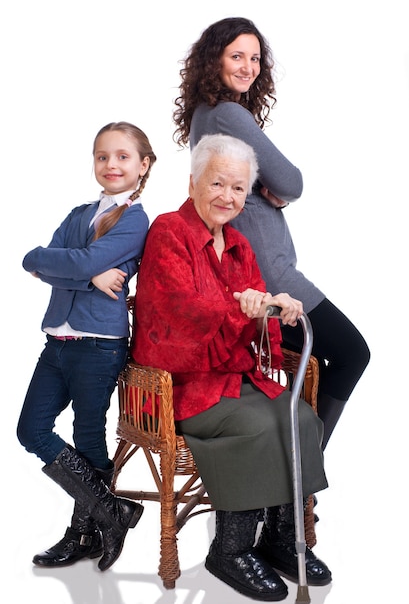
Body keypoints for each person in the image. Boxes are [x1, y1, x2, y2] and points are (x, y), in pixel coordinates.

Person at [132, 134, 331, 601]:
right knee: (260, 425)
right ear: (193, 182)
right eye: (217, 183)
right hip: (180, 384)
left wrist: (273, 306)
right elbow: (179, 308)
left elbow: (255, 311)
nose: (227, 196)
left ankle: (281, 540)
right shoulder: (168, 231)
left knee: (300, 417)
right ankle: (230, 549)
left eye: (238, 188)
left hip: (235, 375)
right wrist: (238, 306)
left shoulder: (239, 244)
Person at [173, 17, 370, 452]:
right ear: (215, 60)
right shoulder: (228, 114)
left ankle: (283, 471)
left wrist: (272, 189)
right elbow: (293, 182)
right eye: (236, 56)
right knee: (354, 353)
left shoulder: (205, 116)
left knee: (314, 363)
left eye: (255, 58)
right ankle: (299, 470)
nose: (248, 67)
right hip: (273, 276)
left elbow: (272, 185)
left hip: (254, 276)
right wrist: (277, 190)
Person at [17, 121, 157, 571]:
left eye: (122, 156)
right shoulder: (80, 214)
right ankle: (112, 513)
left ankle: (82, 534)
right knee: (31, 430)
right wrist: (88, 273)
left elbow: (68, 260)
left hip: (98, 345)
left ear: (143, 165)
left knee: (88, 435)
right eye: (102, 156)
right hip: (57, 339)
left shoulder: (135, 221)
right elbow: (32, 258)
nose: (111, 164)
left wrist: (73, 266)